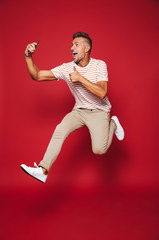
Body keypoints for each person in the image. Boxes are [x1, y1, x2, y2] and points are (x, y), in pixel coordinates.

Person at [21, 32, 124, 183]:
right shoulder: (66, 68)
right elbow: (37, 75)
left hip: (99, 112)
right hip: (79, 111)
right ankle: (43, 170)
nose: (71, 48)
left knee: (99, 150)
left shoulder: (99, 65)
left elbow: (102, 92)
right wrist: (28, 57)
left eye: (76, 45)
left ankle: (113, 123)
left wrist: (80, 78)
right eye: (71, 45)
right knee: (60, 129)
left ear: (87, 48)